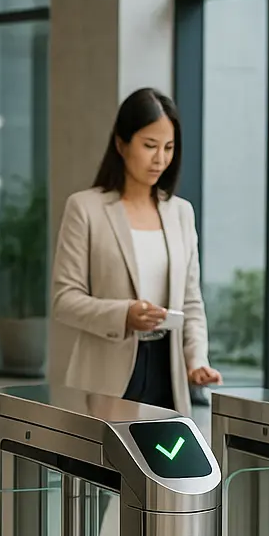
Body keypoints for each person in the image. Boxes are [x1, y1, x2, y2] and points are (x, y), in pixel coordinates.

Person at [51, 87, 221, 417]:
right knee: (111, 452)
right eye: (150, 145)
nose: (160, 159)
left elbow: (191, 303)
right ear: (121, 144)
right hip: (107, 377)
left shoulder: (181, 213)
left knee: (166, 451)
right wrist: (124, 314)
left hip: (167, 374)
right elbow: (64, 301)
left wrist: (197, 360)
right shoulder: (85, 208)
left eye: (169, 147)